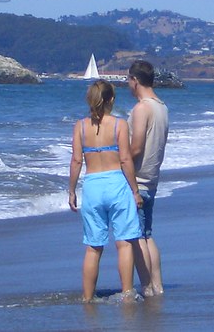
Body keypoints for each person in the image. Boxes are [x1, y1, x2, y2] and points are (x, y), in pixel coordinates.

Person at [68, 79, 143, 302]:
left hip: (92, 185)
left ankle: (88, 297)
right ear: (111, 99)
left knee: (93, 247)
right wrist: (135, 191)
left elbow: (75, 161)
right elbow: (126, 159)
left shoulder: (80, 126)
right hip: (116, 185)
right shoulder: (120, 125)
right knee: (124, 242)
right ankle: (127, 293)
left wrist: (71, 190)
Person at [127, 59, 169, 298]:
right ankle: (158, 285)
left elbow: (136, 147)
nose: (127, 85)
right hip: (152, 178)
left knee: (137, 237)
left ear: (135, 81)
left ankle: (147, 287)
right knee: (148, 234)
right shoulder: (162, 107)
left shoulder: (142, 109)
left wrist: (117, 161)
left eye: (128, 80)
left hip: (138, 179)